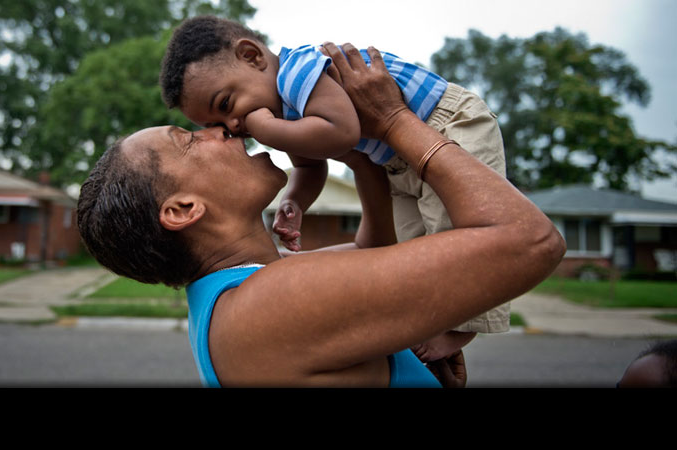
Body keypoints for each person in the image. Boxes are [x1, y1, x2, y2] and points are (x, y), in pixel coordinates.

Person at [78, 43, 565, 387]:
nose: (223, 131)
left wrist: (357, 154)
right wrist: (396, 121)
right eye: (189, 139)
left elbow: (371, 252)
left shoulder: (244, 296)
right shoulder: (269, 305)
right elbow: (529, 240)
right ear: (183, 209)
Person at [159, 16, 510, 362]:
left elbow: (342, 132)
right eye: (218, 125)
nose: (234, 125)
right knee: (416, 243)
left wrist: (268, 130)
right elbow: (310, 166)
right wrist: (295, 200)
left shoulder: (298, 72)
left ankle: (464, 324)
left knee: (456, 230)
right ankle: (437, 315)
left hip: (447, 125)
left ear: (252, 56)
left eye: (225, 105)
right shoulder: (285, 117)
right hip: (401, 161)